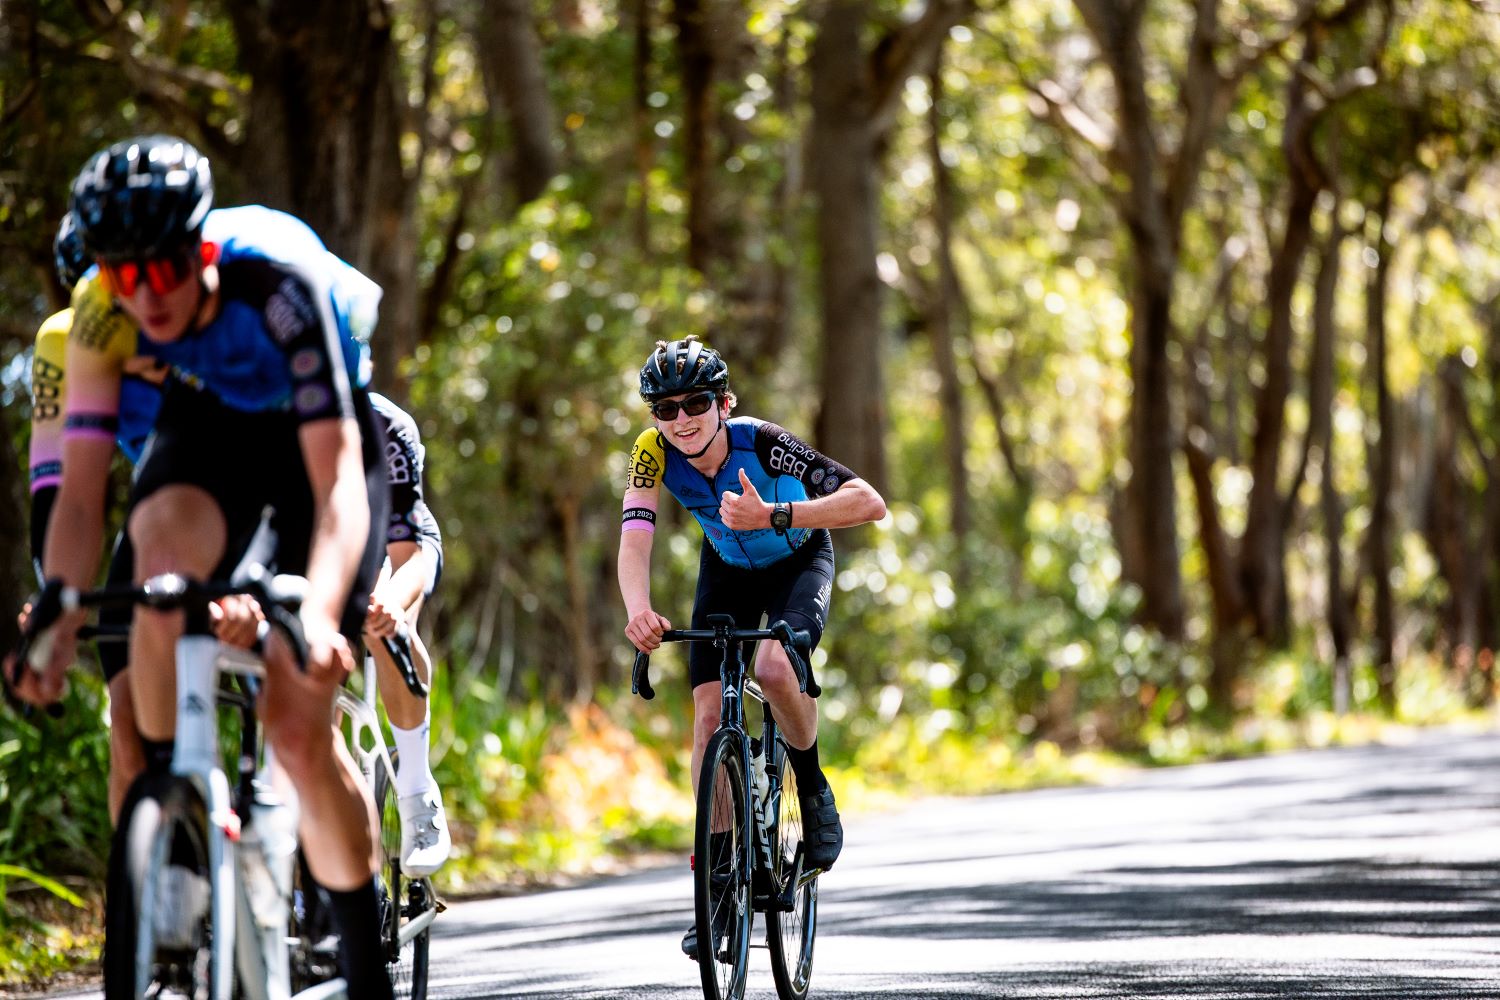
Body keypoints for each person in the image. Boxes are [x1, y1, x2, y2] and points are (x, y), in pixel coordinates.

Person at [14, 135, 395, 1000]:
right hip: (212, 426)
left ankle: (362, 961)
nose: (145, 295)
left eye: (163, 270)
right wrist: (59, 609)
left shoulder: (279, 289)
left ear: (202, 253)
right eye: (123, 273)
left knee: (295, 724)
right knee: (157, 572)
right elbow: (80, 496)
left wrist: (319, 615)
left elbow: (339, 484)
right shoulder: (99, 311)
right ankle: (174, 820)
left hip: (318, 446)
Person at [617, 336, 887, 960]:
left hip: (797, 559)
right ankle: (715, 891)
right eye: (666, 409)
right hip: (727, 571)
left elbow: (869, 502)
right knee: (708, 716)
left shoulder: (762, 441)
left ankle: (812, 788)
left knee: (772, 665)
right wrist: (638, 611)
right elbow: (634, 539)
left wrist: (775, 516)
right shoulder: (650, 452)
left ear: (724, 403)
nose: (681, 419)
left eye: (696, 403)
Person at [27, 212, 170, 822]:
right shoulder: (64, 340)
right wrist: (53, 594)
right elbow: (54, 484)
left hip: (241, 484)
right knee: (127, 725)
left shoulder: (185, 316)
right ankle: (140, 878)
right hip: (163, 497)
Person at [365, 391, 451, 875]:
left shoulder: (386, 423)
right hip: (321, 548)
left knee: (385, 626)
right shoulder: (255, 411)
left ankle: (418, 793)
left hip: (399, 544)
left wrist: (389, 606)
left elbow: (406, 557)